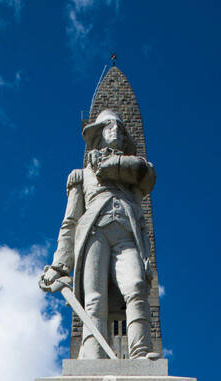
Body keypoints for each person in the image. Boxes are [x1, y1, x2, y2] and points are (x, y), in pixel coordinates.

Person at [39, 109, 158, 359]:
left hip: (127, 233)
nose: (115, 130)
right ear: (99, 133)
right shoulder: (81, 176)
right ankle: (92, 356)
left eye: (119, 127)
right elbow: (70, 222)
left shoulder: (131, 174)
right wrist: (60, 265)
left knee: (136, 285)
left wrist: (112, 166)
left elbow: (146, 175)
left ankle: (141, 352)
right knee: (94, 299)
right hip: (94, 232)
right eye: (108, 126)